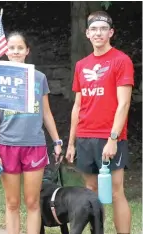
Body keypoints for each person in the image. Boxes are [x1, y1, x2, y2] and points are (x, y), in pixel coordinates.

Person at [0, 31, 62, 234]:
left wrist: (57, 141)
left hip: (34, 145)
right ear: (5, 51)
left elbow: (46, 112)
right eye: (11, 48)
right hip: (6, 145)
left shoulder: (39, 78)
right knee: (12, 203)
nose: (15, 51)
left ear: (27, 51)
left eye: (20, 48)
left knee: (32, 202)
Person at [65, 11, 133, 234]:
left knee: (115, 192)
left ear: (111, 32)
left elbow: (123, 104)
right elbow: (77, 105)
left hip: (110, 137)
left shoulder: (121, 60)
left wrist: (113, 139)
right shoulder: (81, 65)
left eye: (103, 28)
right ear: (87, 33)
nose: (98, 33)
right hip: (85, 136)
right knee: (91, 191)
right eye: (93, 29)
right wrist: (71, 143)